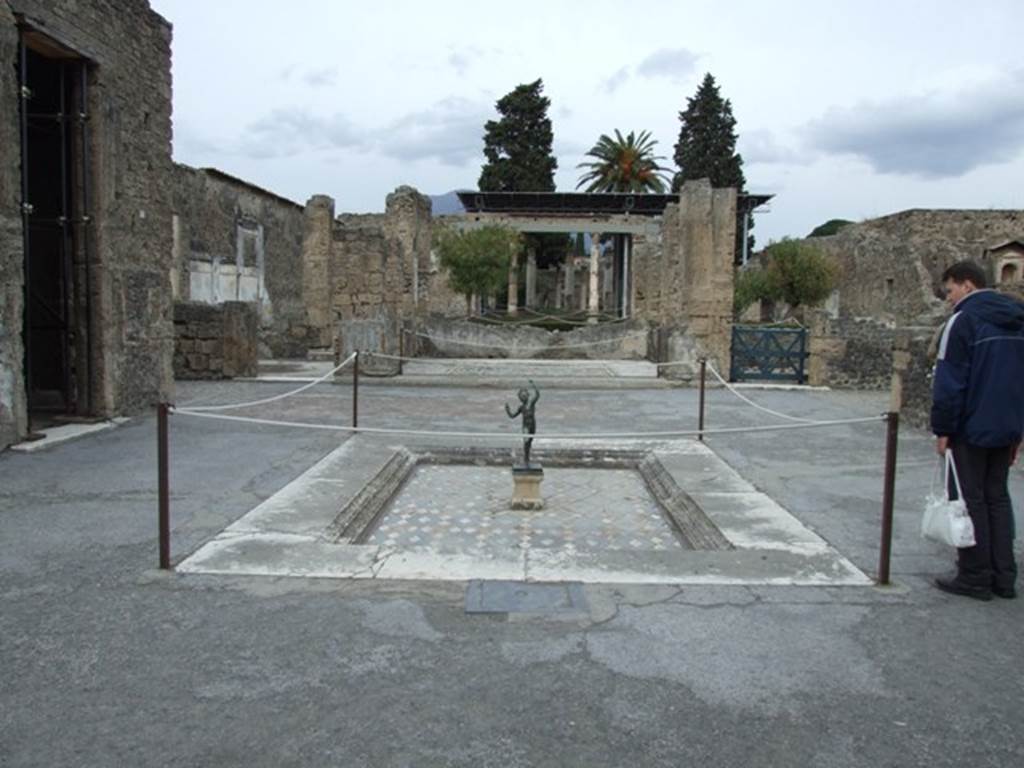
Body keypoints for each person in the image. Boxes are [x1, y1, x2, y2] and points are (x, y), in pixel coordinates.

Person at [931, 260, 1024, 600]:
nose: (949, 298)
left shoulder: (963, 322)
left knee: (968, 500)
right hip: (1007, 424)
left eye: (951, 290)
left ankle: (974, 575)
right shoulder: (1018, 320)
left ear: (967, 285)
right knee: (997, 497)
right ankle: (1003, 576)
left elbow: (949, 380)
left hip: (971, 424)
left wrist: (943, 428)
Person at [505, 380, 540, 467]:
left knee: (530, 442)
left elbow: (537, 395)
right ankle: (526, 459)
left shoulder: (531, 404)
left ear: (527, 396)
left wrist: (533, 385)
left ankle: (527, 458)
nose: (523, 397)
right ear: (520, 398)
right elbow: (512, 416)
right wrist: (507, 410)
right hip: (526, 426)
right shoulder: (521, 407)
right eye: (521, 396)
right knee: (526, 442)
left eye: (524, 395)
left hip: (533, 425)